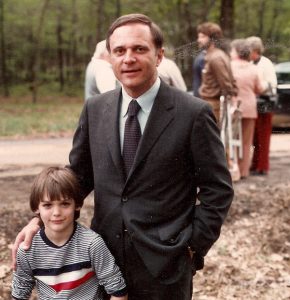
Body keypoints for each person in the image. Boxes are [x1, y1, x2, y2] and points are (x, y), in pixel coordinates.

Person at [13, 14, 234, 300]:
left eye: (139, 49)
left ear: (159, 56)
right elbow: (76, 179)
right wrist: (37, 222)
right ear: (110, 58)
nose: (128, 58)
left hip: (166, 267)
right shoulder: (95, 109)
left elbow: (218, 190)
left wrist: (191, 248)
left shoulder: (192, 113)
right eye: (119, 51)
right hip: (102, 262)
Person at [11, 166, 127, 300]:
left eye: (65, 204)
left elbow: (118, 290)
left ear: (77, 204)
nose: (56, 213)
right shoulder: (27, 249)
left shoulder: (92, 244)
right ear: (36, 207)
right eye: (48, 205)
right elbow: (19, 293)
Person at [230, 39, 267, 179]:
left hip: (233, 107)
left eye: (232, 50)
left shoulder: (229, 66)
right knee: (246, 141)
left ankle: (234, 171)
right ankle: (244, 170)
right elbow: (260, 88)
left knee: (232, 139)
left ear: (237, 52)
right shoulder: (253, 68)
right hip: (250, 107)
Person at [247, 36, 277, 176]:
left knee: (263, 136)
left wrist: (257, 87)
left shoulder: (266, 63)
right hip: (252, 102)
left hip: (264, 103)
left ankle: (262, 166)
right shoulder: (249, 63)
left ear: (255, 50)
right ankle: (255, 164)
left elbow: (272, 83)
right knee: (254, 137)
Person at [197, 22, 237, 123]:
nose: (199, 40)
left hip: (213, 106)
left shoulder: (216, 58)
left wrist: (230, 101)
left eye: (202, 37)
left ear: (212, 38)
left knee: (211, 138)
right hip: (210, 105)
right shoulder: (214, 55)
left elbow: (226, 84)